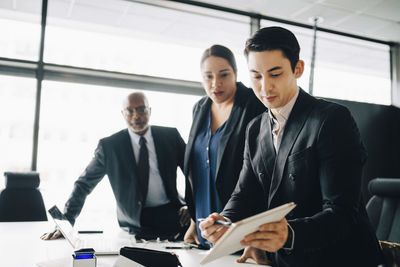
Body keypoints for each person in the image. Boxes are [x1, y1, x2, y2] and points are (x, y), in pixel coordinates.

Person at [199, 27, 384, 266]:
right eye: (256, 76)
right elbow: (244, 194)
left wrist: (291, 234)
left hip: (340, 259)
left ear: (298, 69)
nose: (265, 87)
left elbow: (341, 213)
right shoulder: (255, 128)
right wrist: (224, 222)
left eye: (275, 74)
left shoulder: (332, 119)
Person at [41, 92, 190, 241]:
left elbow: (194, 174)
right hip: (136, 221)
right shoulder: (110, 147)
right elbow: (84, 184)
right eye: (130, 111)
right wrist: (66, 221)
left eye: (141, 109)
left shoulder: (170, 136)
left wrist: (192, 206)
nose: (136, 116)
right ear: (123, 114)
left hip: (173, 214)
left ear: (149, 111)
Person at [183, 45, 266, 247]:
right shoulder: (200, 108)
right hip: (205, 225)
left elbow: (262, 172)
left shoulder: (253, 104)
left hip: (240, 223)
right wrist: (194, 221)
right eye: (208, 77)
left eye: (223, 75)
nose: (215, 84)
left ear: (236, 74)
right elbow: (197, 169)